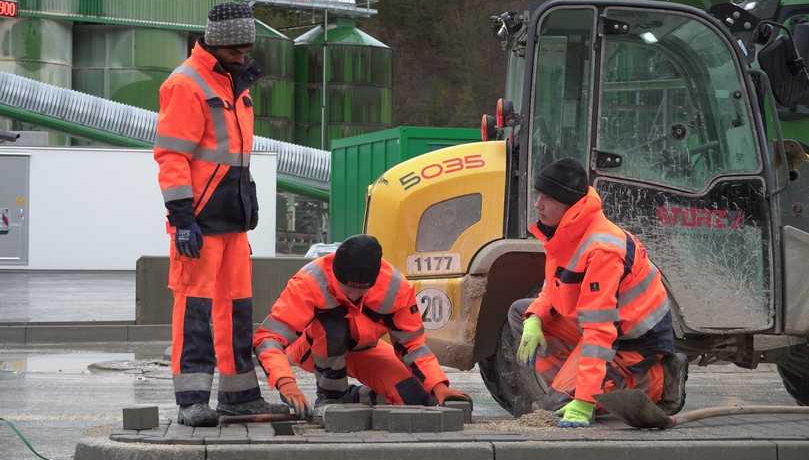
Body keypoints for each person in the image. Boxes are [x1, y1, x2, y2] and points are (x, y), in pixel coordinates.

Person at [154, 1, 273, 426]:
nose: (244, 55)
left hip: (234, 222)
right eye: (237, 48)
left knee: (236, 310)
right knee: (197, 311)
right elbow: (171, 157)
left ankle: (239, 398)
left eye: (247, 48)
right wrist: (182, 218)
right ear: (218, 44)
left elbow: (234, 160)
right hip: (200, 223)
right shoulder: (186, 84)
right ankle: (191, 402)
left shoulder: (235, 86)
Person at [511, 158, 687, 427]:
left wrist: (584, 401)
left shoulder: (603, 250)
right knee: (520, 313)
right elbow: (553, 289)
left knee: (556, 403)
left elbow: (600, 331)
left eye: (547, 198)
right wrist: (535, 317)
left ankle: (660, 380)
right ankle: (575, 387)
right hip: (603, 330)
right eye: (538, 195)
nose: (538, 204)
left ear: (569, 203)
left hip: (633, 345)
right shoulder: (566, 233)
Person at [253, 234, 471, 417]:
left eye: (361, 290)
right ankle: (332, 396)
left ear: (374, 280)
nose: (353, 295)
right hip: (312, 348)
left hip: (365, 349)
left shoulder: (395, 288)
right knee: (334, 328)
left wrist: (439, 386)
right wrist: (285, 382)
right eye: (346, 287)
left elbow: (412, 345)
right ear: (335, 272)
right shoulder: (310, 282)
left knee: (415, 398)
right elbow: (267, 338)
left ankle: (354, 397)